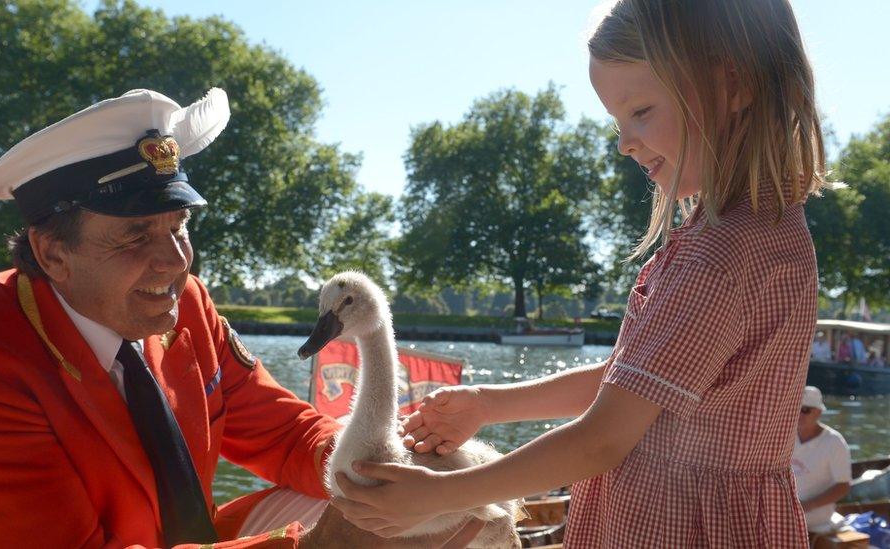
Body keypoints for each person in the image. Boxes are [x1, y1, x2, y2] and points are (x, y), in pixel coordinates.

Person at [330, 1, 825, 547]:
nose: (625, 142)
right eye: (618, 121)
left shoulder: (717, 258)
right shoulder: (763, 228)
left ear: (734, 84)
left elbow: (602, 439)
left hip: (672, 526)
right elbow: (632, 382)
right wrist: (491, 405)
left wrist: (440, 494)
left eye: (640, 111)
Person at [0, 88, 479, 549]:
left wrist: (401, 466)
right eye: (136, 235)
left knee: (401, 504)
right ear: (52, 252)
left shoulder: (184, 303)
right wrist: (320, 546)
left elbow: (285, 435)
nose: (176, 261)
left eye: (179, 226)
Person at [792, 386, 851, 537]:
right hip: (787, 511)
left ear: (818, 412)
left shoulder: (834, 442)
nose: (798, 414)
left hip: (816, 517)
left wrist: (807, 506)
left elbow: (843, 486)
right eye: (795, 407)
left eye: (805, 409)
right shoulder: (786, 436)